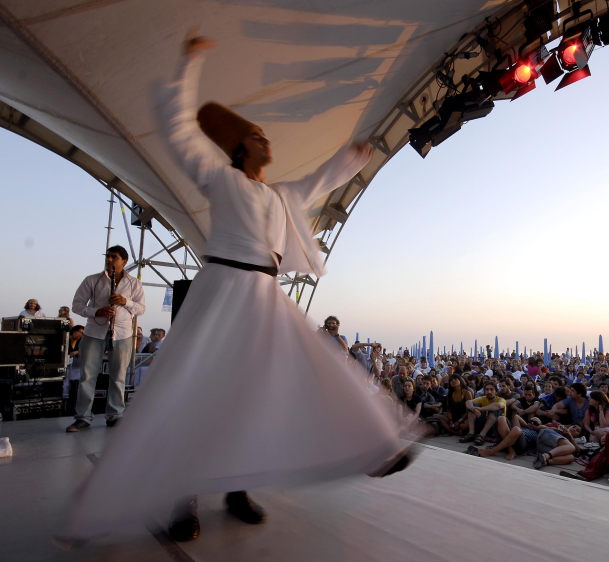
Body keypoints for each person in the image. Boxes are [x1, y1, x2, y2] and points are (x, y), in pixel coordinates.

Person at [58, 34, 408, 545]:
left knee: (264, 390)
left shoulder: (280, 196)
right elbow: (178, 130)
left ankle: (329, 459)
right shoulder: (221, 180)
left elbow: (318, 180)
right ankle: (182, 496)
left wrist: (352, 159)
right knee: (195, 393)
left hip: (264, 299)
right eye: (260, 136)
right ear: (241, 148)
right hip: (222, 292)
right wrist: (189, 63)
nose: (270, 141)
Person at [67, 245, 146, 432]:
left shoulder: (134, 283)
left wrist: (125, 302)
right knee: (87, 376)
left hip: (123, 333)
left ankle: (115, 415)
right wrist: (97, 311)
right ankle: (83, 418)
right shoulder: (92, 280)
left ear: (124, 261)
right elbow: (77, 305)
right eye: (108, 256)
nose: (109, 260)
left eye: (114, 257)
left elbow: (141, 308)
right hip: (94, 331)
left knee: (118, 376)